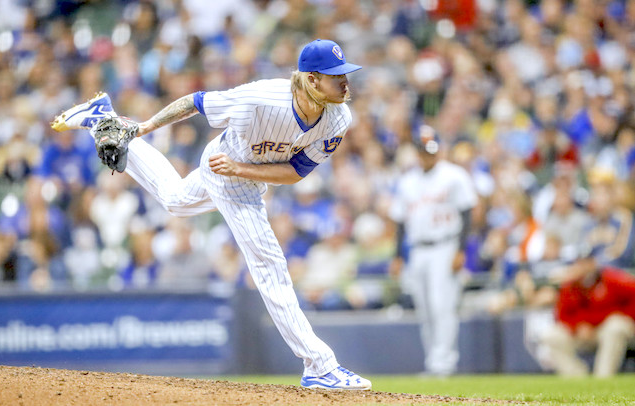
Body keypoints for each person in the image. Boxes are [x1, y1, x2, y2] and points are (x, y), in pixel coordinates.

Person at [50, 39, 371, 390]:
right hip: (225, 169)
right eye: (335, 75)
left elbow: (295, 172)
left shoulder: (339, 118)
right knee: (269, 266)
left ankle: (101, 117)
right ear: (311, 80)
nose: (345, 81)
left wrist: (241, 169)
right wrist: (143, 127)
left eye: (344, 74)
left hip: (236, 170)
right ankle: (319, 365)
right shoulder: (260, 98)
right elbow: (196, 102)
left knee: (174, 200)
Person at [389, 125, 478, 376]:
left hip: (445, 245)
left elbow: (467, 212)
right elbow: (399, 221)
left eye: (431, 150)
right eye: (423, 151)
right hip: (418, 250)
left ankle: (444, 363)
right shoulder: (407, 181)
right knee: (425, 308)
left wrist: (461, 251)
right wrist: (397, 256)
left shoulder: (453, 175)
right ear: (417, 152)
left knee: (442, 305)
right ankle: (433, 361)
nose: (427, 155)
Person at [539, 248, 635, 377]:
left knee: (616, 325)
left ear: (594, 262)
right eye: (579, 262)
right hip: (582, 333)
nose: (583, 266)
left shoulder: (610, 278)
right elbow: (562, 316)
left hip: (607, 329)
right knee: (551, 335)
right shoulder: (570, 285)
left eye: (586, 262)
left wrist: (628, 318)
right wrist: (577, 326)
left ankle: (603, 378)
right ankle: (578, 378)